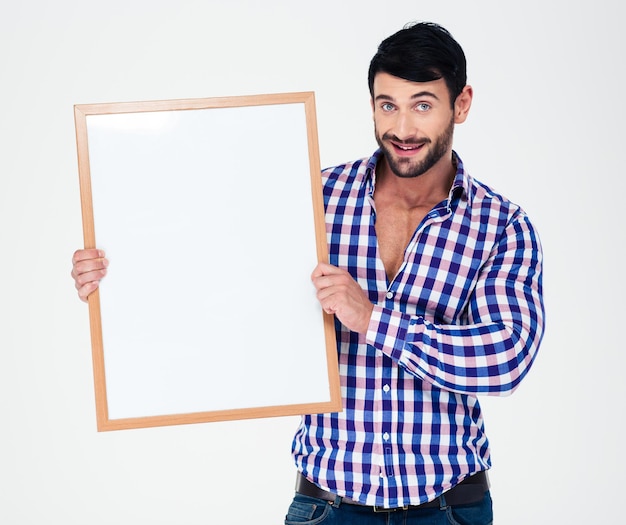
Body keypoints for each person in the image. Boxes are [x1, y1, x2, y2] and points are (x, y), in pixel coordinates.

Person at [71, 21, 544, 524]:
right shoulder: (311, 198)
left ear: (462, 104)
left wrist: (372, 319)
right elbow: (219, 276)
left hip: (449, 508)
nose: (402, 128)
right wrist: (119, 278)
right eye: (388, 105)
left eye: (422, 105)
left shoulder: (502, 225)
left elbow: (505, 358)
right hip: (327, 506)